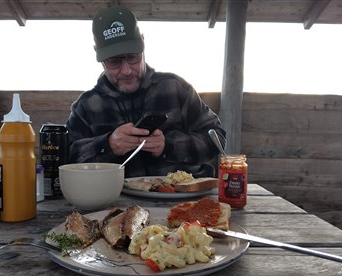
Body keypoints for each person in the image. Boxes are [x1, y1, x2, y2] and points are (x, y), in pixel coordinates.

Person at [66, 6, 226, 178]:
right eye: (114, 61)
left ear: (143, 43)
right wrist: (107, 144)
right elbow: (67, 159)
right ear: (99, 55)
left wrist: (169, 146)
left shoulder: (175, 87)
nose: (126, 70)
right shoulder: (85, 106)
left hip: (184, 199)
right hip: (115, 203)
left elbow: (217, 139)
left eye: (133, 57)